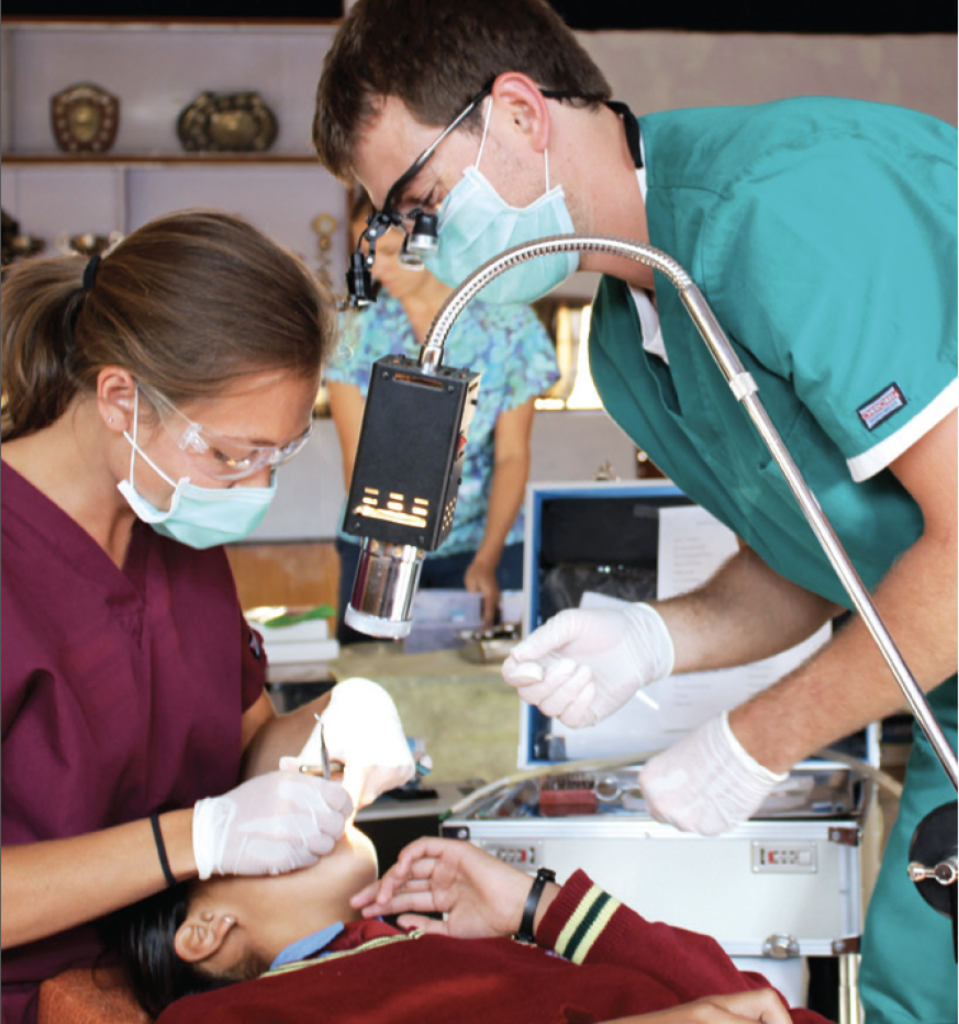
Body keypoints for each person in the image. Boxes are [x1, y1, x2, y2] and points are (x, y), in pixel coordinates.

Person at [311, 4, 958, 1022]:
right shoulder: (628, 338)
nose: (421, 248)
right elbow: (813, 560)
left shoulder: (792, 210)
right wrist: (654, 638)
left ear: (520, 115)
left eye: (421, 202)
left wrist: (757, 737)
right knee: (912, 995)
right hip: (943, 693)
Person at [0, 210, 415, 1024]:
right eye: (230, 455)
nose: (251, 488)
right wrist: (195, 840)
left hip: (184, 995)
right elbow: (211, 825)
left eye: (277, 454)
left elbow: (246, 743)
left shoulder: (172, 533)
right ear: (120, 397)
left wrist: (333, 727)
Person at [117, 832, 828, 1024]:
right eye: (258, 834)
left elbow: (761, 1010)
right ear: (206, 929)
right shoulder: (219, 1014)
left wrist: (535, 909)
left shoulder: (423, 945)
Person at [326, 193, 558, 639]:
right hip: (378, 543)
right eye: (369, 254)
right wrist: (390, 555)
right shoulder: (354, 332)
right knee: (373, 683)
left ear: (433, 241)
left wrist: (487, 559)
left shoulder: (509, 326)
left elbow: (511, 456)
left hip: (480, 543)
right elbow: (358, 460)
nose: (379, 269)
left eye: (393, 253)